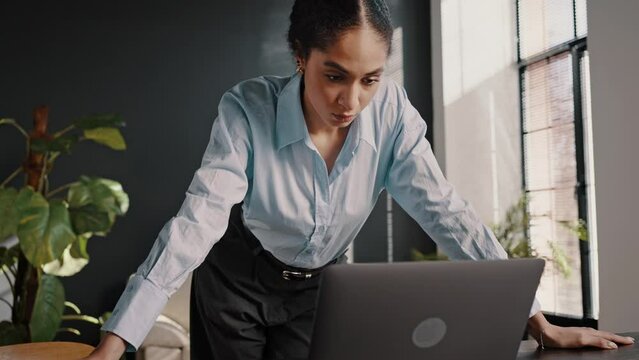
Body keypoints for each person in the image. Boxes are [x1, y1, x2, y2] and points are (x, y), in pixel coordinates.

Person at [85, 0, 635, 359]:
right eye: (335, 76)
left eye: (370, 79)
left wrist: (537, 322)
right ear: (301, 57)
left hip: (313, 289)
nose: (352, 101)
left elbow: (445, 212)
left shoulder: (390, 114)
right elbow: (196, 220)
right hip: (234, 281)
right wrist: (113, 345)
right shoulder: (247, 109)